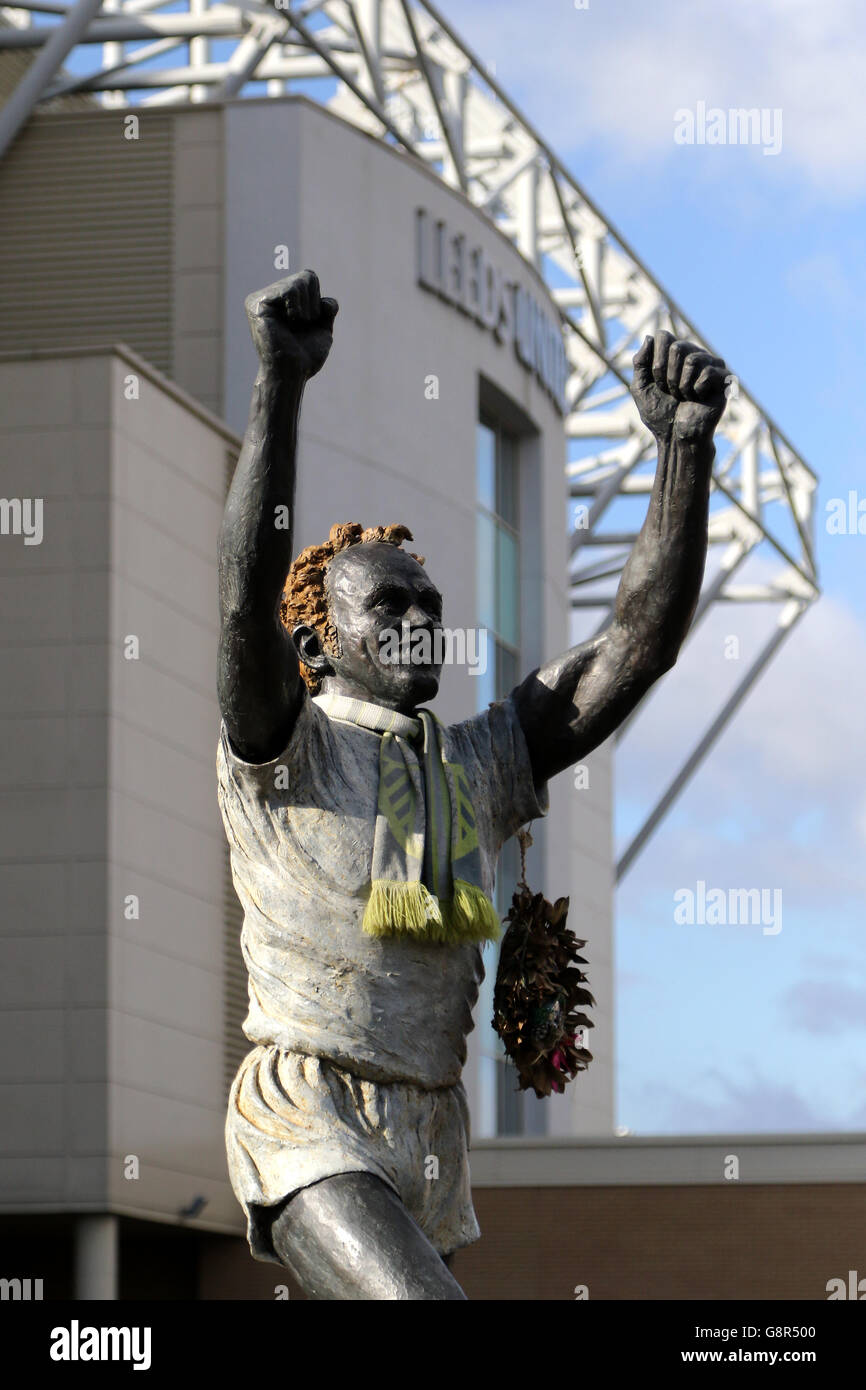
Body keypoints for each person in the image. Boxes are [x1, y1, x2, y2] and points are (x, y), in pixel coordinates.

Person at [217, 269, 728, 1300]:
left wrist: (681, 452)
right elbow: (243, 595)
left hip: (431, 1123)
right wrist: (280, 385)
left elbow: (634, 643)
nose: (417, 617)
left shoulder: (477, 761)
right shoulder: (286, 740)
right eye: (388, 603)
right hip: (309, 1109)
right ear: (315, 641)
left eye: (429, 601)